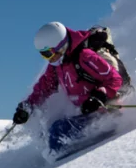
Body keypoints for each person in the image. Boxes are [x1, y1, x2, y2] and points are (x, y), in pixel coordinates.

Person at [12, 22, 125, 152]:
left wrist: (99, 96)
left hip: (108, 111)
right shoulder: (57, 65)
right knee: (46, 135)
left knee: (58, 133)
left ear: (61, 46)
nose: (48, 59)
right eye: (43, 55)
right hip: (87, 113)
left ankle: (65, 165)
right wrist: (28, 106)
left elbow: (114, 78)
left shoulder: (85, 57)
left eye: (48, 53)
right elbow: (44, 88)